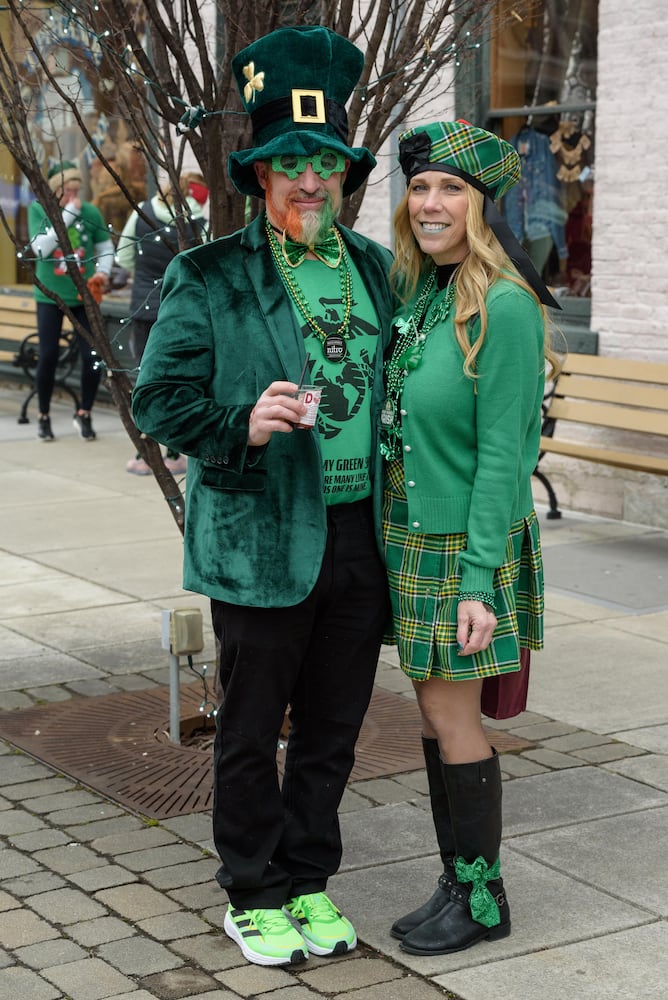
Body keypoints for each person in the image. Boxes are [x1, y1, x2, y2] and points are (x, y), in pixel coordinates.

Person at [131, 25, 393, 968]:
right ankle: (252, 888)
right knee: (249, 731)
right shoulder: (211, 275)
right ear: (259, 174)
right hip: (262, 534)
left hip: (361, 533)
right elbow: (157, 398)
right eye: (291, 163)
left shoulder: (371, 267)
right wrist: (239, 421)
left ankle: (310, 877)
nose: (310, 182)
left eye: (325, 162)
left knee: (334, 727)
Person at [380, 120, 561, 957]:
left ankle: (485, 899)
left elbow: (505, 457)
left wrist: (479, 578)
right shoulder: (422, 293)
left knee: (456, 719)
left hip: (462, 547)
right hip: (411, 538)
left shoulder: (507, 307)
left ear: (484, 206)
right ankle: (458, 879)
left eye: (452, 189)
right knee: (430, 709)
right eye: (420, 188)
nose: (431, 203)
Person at [116, 171, 209, 475]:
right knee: (180, 379)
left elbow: (124, 258)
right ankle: (174, 451)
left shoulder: (141, 213)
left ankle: (144, 453)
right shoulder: (197, 221)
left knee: (146, 378)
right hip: (182, 310)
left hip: (144, 307)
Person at [28, 161, 115, 441]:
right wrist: (66, 216)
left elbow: (104, 247)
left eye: (77, 190)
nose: (74, 197)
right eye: (67, 191)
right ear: (55, 191)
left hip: (83, 294)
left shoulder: (90, 212)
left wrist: (102, 272)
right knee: (49, 354)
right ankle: (43, 415)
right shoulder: (39, 210)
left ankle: (84, 413)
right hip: (50, 295)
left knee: (92, 355)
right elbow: (40, 249)